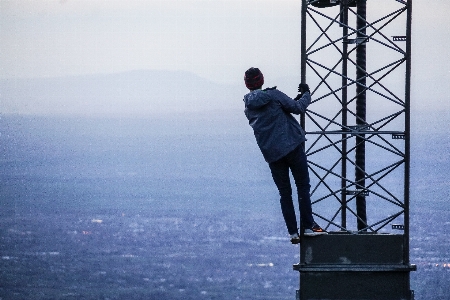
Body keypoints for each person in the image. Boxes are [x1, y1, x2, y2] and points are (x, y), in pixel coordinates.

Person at [243, 67, 327, 244]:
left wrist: (290, 102)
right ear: (262, 80)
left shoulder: (248, 106)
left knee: (284, 193)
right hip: (292, 146)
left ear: (247, 84)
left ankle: (293, 233)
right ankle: (308, 226)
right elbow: (298, 108)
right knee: (302, 186)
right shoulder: (273, 95)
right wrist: (306, 94)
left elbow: (273, 115)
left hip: (273, 155)